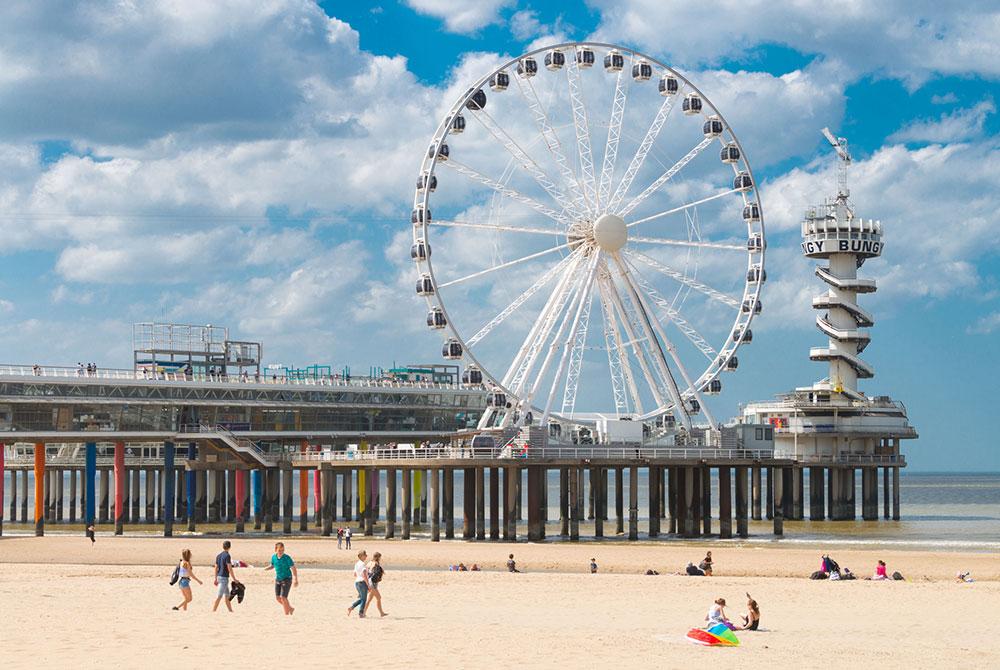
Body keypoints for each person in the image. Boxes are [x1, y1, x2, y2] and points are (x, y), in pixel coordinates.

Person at [265, 542, 298, 615]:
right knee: (278, 598)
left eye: (282, 550)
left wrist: (295, 579)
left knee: (283, 597)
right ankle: (290, 608)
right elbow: (272, 565)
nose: (281, 552)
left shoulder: (287, 558)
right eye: (279, 550)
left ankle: (286, 614)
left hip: (287, 578)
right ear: (275, 550)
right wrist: (266, 568)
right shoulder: (274, 557)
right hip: (278, 579)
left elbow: (293, 568)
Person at [213, 540, 236, 613]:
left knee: (227, 595)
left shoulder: (218, 556)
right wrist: (234, 578)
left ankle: (230, 610)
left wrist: (215, 578)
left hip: (219, 577)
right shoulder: (227, 555)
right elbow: (229, 567)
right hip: (224, 578)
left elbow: (216, 567)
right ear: (230, 547)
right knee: (219, 596)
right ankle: (213, 610)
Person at [348, 550, 371, 618]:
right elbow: (364, 575)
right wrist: (368, 584)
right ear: (361, 556)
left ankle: (351, 607)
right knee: (364, 599)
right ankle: (361, 613)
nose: (366, 556)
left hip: (357, 582)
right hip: (362, 582)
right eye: (365, 555)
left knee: (362, 598)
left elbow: (355, 574)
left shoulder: (357, 564)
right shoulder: (363, 564)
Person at [365, 552, 388, 617]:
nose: (380, 559)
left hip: (371, 582)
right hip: (373, 583)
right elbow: (378, 570)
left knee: (369, 599)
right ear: (377, 557)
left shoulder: (369, 562)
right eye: (379, 557)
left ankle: (363, 612)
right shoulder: (375, 563)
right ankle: (381, 613)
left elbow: (367, 570)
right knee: (379, 597)